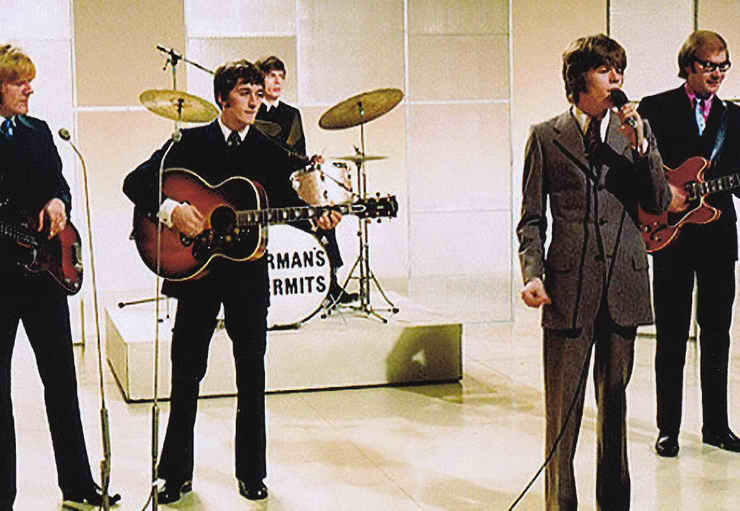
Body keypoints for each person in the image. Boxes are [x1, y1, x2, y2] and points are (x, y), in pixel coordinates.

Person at [123, 59, 340, 503]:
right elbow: (134, 182)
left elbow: (290, 201)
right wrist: (172, 211)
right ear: (222, 97)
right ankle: (174, 474)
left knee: (251, 374)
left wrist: (320, 216)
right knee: (186, 374)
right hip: (195, 272)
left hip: (247, 276)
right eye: (245, 93)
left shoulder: (268, 149)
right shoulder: (188, 142)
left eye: (259, 94)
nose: (254, 102)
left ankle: (252, 473)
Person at [516, 34, 670, 510]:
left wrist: (642, 148)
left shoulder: (635, 134)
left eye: (619, 69)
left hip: (623, 285)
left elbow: (658, 202)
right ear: (579, 79)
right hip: (567, 289)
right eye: (605, 70)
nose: (616, 78)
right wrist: (532, 273)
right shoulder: (545, 136)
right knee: (562, 414)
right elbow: (531, 219)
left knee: (616, 411)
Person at [0, 44, 120, 510]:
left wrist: (57, 202)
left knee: (62, 383)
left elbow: (59, 184)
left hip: (45, 276)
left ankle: (78, 487)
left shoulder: (39, 131)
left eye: (29, 81)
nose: (29, 89)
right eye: (18, 82)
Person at [638, 30, 740, 458]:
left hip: (719, 238)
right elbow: (638, 169)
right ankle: (668, 429)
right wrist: (664, 194)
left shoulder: (735, 117)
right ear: (688, 66)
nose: (717, 73)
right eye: (708, 65)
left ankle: (716, 426)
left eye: (723, 65)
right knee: (672, 337)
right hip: (670, 238)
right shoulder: (655, 108)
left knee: (717, 336)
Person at [256, 55, 356, 304]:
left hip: (286, 185)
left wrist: (310, 161)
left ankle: (330, 283)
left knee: (324, 212)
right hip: (258, 186)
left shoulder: (292, 114)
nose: (277, 82)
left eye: (281, 77)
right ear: (260, 79)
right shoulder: (250, 110)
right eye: (271, 76)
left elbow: (298, 154)